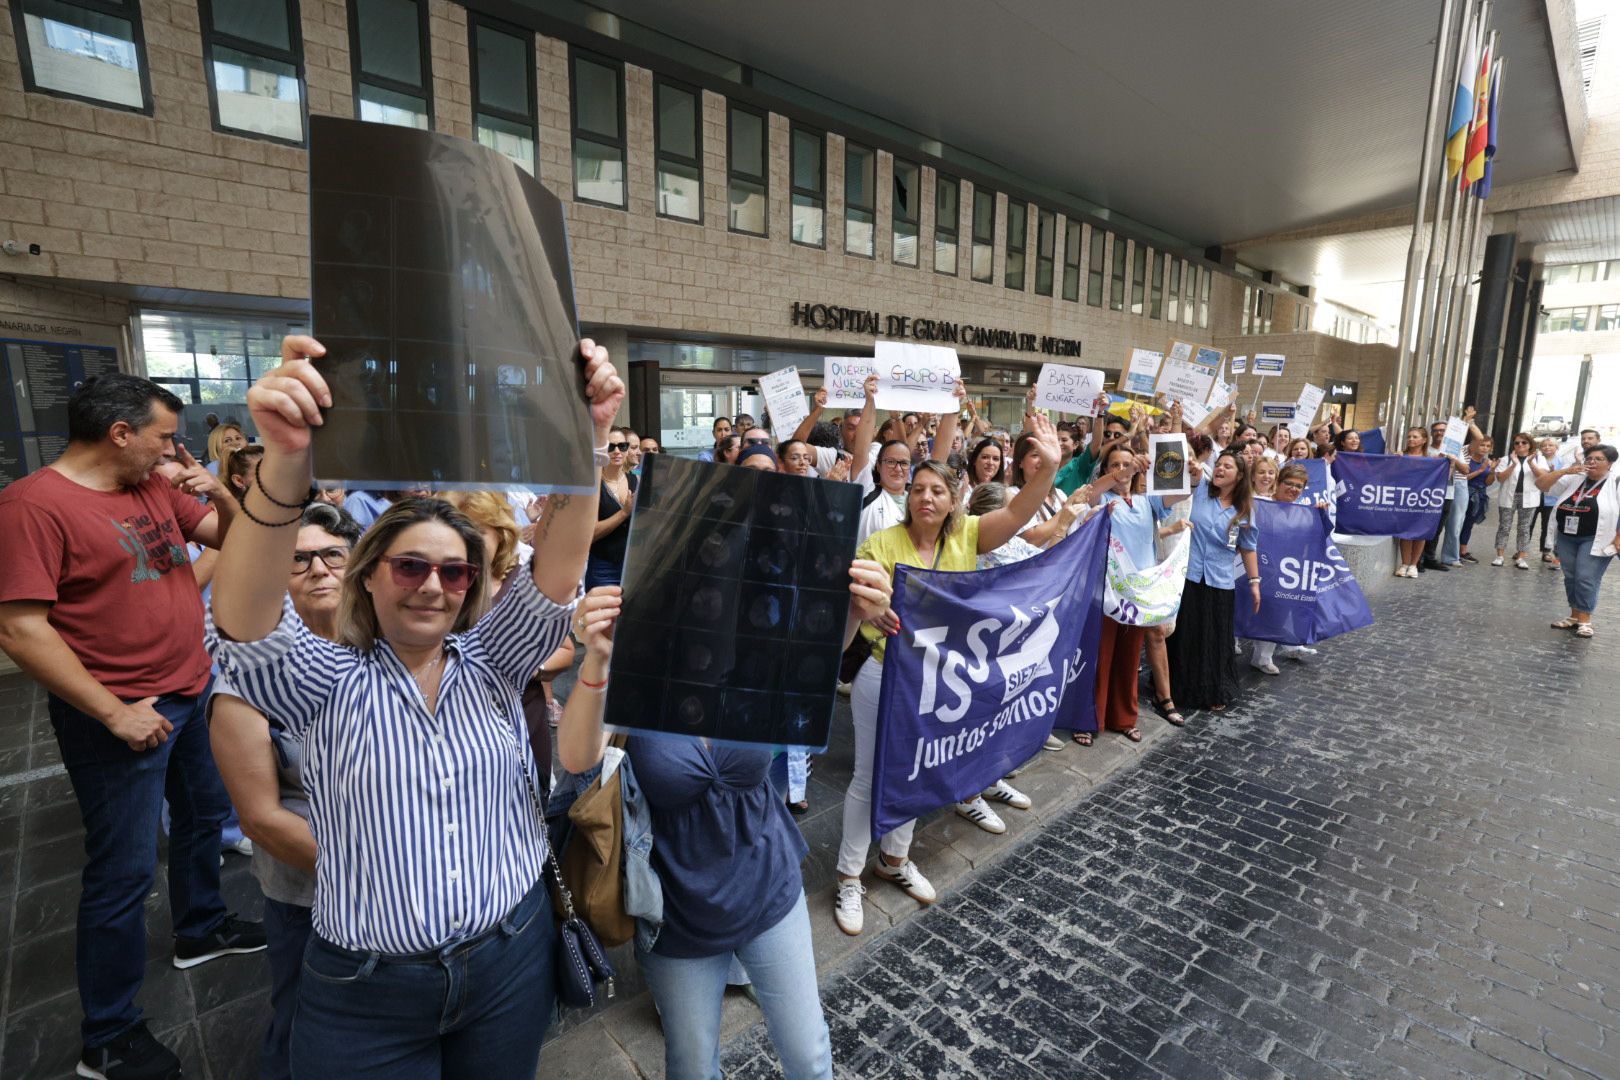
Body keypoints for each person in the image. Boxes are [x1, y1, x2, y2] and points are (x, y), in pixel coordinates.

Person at [208, 334, 621, 1078]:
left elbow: (559, 572)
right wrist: (284, 460)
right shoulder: (327, 680)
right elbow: (247, 624)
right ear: (367, 577)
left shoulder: (492, 665)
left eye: (455, 573)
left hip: (509, 963)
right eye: (410, 565)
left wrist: (586, 440)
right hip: (367, 989)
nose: (433, 584)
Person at [0, 373, 264, 1080]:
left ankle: (202, 926)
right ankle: (109, 1036)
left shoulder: (150, 487)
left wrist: (224, 495)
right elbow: (21, 630)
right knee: (121, 873)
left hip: (189, 686)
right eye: (162, 436)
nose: (172, 450)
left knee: (206, 815)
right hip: (119, 715)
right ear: (120, 434)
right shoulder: (32, 507)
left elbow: (229, 539)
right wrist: (114, 711)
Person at [558, 556, 889, 1079]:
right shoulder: (639, 668)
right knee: (692, 1068)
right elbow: (577, 758)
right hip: (678, 916)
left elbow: (816, 666)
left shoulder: (753, 656)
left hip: (769, 889)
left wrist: (850, 610)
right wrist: (596, 660)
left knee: (808, 1054)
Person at [835, 415, 1064, 935]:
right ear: (906, 496)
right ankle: (849, 875)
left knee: (915, 772)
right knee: (869, 778)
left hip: (938, 681)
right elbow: (855, 592)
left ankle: (893, 862)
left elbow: (1019, 512)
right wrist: (866, 607)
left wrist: (1046, 472)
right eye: (918, 488)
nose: (926, 498)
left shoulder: (967, 537)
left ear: (953, 498)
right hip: (883, 674)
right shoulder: (881, 545)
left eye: (938, 490)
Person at [208, 501, 361, 1080]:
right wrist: (375, 870)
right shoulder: (243, 685)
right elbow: (261, 818)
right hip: (311, 891)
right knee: (304, 1015)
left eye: (332, 555)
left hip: (397, 891)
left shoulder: (386, 649)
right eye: (297, 560)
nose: (318, 569)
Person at [1163, 449, 1259, 711]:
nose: (1220, 469)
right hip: (1190, 575)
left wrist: (1254, 582)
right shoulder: (1202, 491)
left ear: (1239, 476)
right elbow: (1192, 475)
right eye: (1219, 464)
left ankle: (1212, 690)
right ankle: (1175, 688)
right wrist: (1193, 468)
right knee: (1185, 635)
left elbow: (1248, 547)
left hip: (1220, 582)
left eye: (1228, 467)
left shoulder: (1245, 510)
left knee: (1213, 640)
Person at [1536, 443, 1620, 638]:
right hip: (1567, 536)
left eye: (1598, 459)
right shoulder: (1575, 478)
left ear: (1610, 463)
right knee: (1571, 577)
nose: (1592, 462)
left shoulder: (1616, 481)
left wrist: (1618, 537)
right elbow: (1542, 484)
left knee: (1586, 577)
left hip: (1596, 538)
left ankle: (1585, 620)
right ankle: (1574, 616)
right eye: (1589, 458)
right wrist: (1566, 471)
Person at [1250, 464, 1321, 674]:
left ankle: (1263, 657)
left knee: (1279, 611)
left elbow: (1317, 538)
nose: (1293, 489)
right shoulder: (1260, 505)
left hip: (1285, 571)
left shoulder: (1304, 513)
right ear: (1278, 483)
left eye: (1298, 486)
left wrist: (1320, 515)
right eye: (1288, 483)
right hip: (1256, 567)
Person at [587, 426, 637, 588]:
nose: (617, 451)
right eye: (610, 446)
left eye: (622, 446)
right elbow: (591, 533)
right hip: (603, 567)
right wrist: (624, 512)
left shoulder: (635, 480)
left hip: (632, 565)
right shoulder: (593, 485)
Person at [1492, 434, 1538, 569]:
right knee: (1504, 526)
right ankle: (1500, 556)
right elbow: (1500, 479)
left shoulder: (1538, 459)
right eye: (1517, 443)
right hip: (1508, 496)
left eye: (1524, 443)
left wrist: (1531, 463)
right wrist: (1513, 463)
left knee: (1524, 528)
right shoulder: (1505, 460)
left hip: (1529, 497)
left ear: (1530, 444)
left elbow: (1543, 476)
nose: (1520, 445)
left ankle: (1521, 557)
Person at [1458, 435, 1494, 563]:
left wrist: (1492, 471)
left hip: (1480, 495)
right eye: (1482, 445)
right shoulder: (1467, 459)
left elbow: (1488, 482)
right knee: (1458, 522)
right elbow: (1463, 477)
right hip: (1465, 493)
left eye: (1488, 446)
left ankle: (1463, 550)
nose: (1484, 448)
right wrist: (1481, 470)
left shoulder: (1488, 462)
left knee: (1469, 524)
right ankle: (1455, 549)